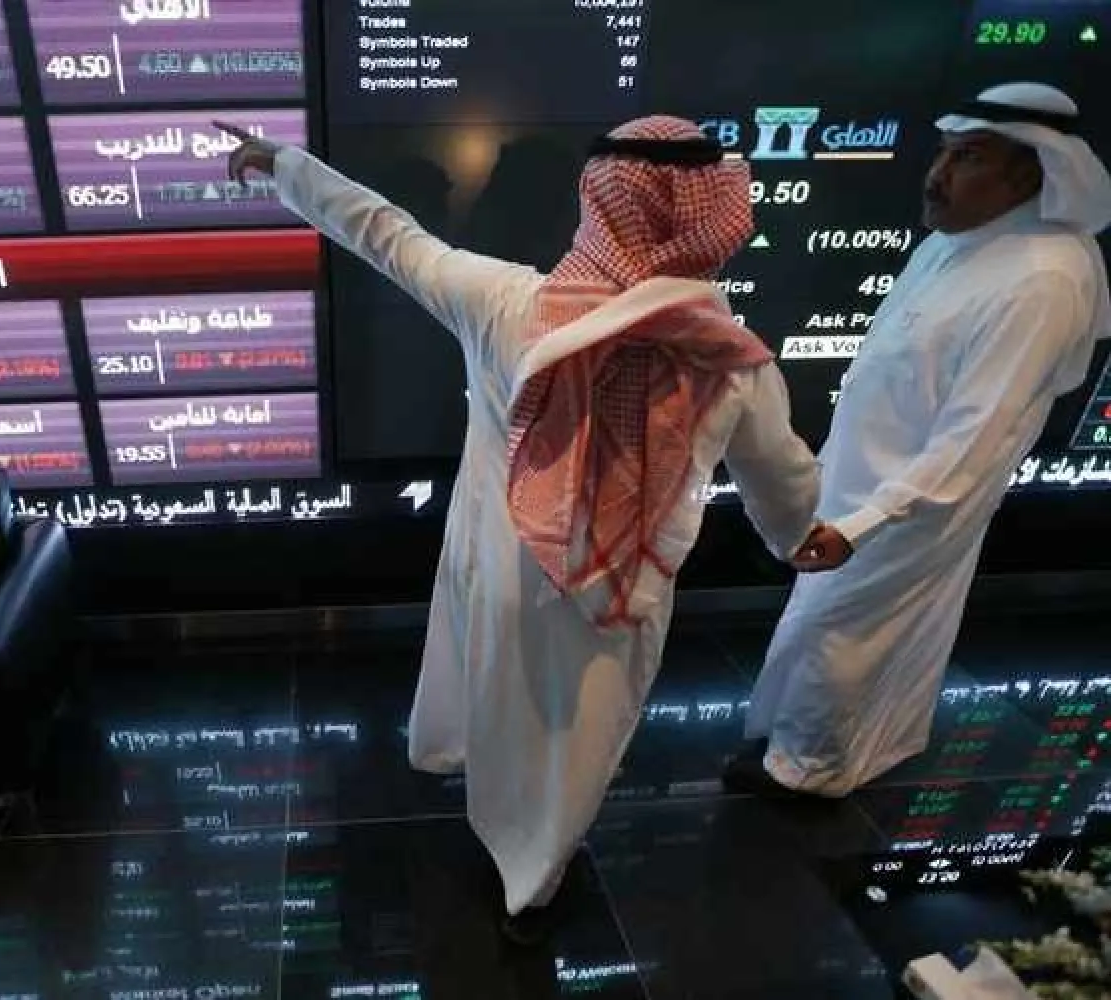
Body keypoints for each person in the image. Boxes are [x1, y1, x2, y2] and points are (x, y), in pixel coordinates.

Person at [214, 116, 820, 939]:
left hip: (497, 562)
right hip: (618, 595)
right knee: (572, 743)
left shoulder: (503, 302)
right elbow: (780, 475)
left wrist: (286, 166)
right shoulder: (732, 361)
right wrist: (797, 537)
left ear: (597, 203)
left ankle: (477, 783)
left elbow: (390, 238)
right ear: (712, 219)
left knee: (494, 686)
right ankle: (532, 884)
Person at [728, 82, 1111, 800]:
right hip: (857, 482)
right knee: (824, 621)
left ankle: (808, 774)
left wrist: (866, 521)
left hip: (913, 502)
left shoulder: (1043, 279)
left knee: (843, 631)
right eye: (944, 152)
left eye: (969, 158)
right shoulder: (956, 239)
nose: (939, 174)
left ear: (1030, 174)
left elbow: (978, 434)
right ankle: (793, 744)